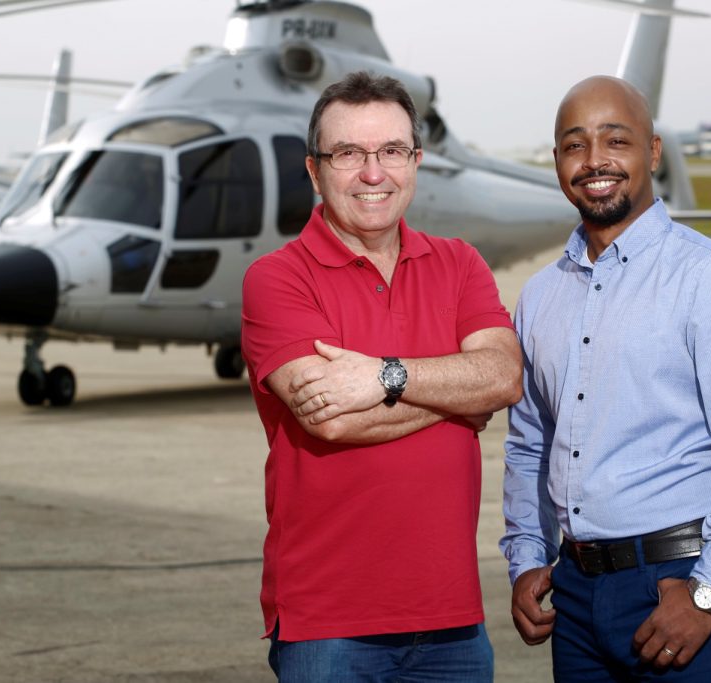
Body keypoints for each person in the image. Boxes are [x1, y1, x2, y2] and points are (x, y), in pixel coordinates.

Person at [500, 75, 711, 682]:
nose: (594, 161)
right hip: (576, 597)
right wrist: (527, 557)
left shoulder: (710, 277)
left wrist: (708, 592)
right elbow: (531, 443)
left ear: (653, 152)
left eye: (616, 140)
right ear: (557, 160)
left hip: (682, 585)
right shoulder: (540, 296)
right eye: (575, 145)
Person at [241, 71, 522, 682]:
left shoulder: (459, 263)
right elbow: (330, 419)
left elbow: (503, 375)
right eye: (348, 153)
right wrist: (458, 395)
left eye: (392, 150)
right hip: (328, 627)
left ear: (416, 162)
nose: (374, 173)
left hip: (454, 625)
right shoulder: (277, 278)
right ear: (315, 171)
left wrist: (384, 377)